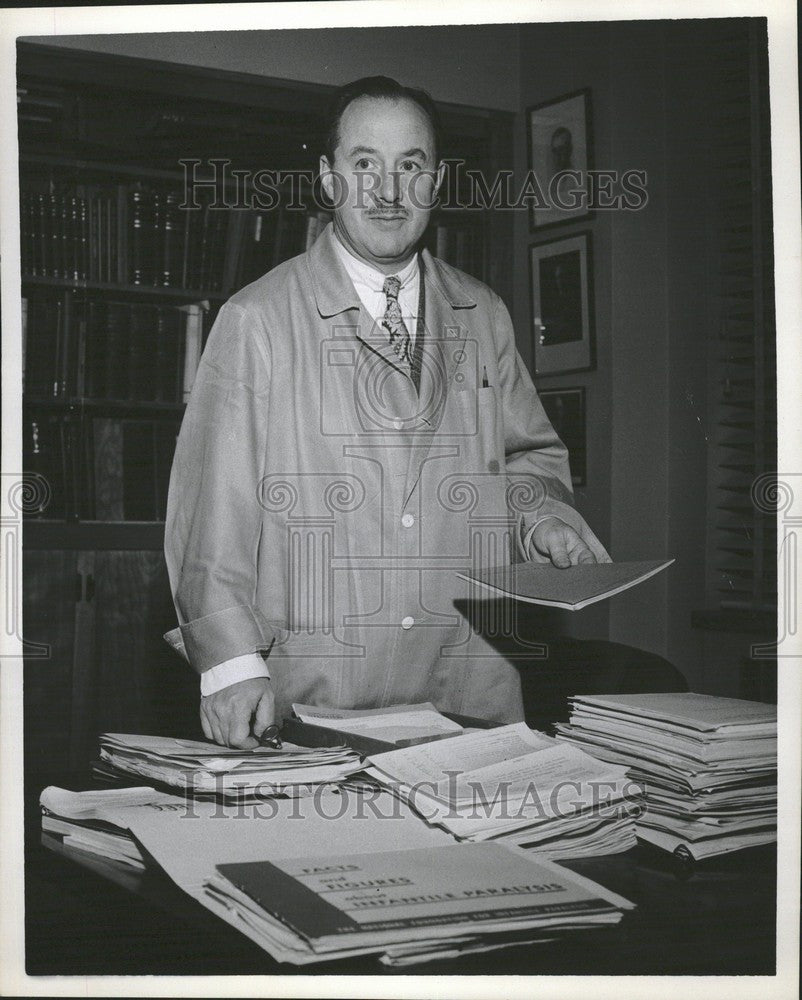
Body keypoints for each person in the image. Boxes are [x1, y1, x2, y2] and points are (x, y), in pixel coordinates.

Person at [164, 76, 609, 749]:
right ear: (328, 177)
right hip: (315, 699)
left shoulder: (482, 313)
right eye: (364, 163)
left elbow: (524, 456)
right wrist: (228, 664)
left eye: (412, 165)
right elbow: (212, 515)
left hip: (467, 695)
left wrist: (542, 517)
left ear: (437, 181)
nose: (389, 190)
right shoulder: (257, 319)